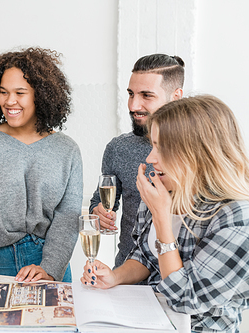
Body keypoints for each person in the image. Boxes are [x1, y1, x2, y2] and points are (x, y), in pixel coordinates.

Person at [81, 95, 249, 332]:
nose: (150, 158)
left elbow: (185, 299)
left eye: (161, 148)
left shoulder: (237, 217)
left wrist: (162, 218)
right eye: (153, 145)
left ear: (196, 153)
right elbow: (146, 256)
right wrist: (115, 277)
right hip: (150, 320)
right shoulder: (166, 189)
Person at [0, 47, 83, 283]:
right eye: (3, 92)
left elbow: (67, 218)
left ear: (40, 95)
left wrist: (50, 268)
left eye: (20, 92)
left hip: (50, 264)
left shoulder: (67, 149)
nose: (9, 101)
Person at [89, 54, 184, 268]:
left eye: (146, 96)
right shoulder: (118, 148)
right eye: (131, 94)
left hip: (178, 279)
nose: (133, 105)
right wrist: (100, 213)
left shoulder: (196, 151)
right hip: (127, 275)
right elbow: (101, 202)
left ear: (176, 96)